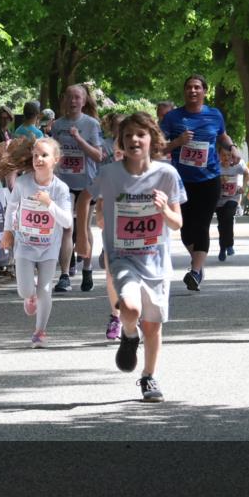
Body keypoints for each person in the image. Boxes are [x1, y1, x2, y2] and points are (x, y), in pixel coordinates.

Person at [76, 112, 184, 402]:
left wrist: (164, 210)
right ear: (120, 142)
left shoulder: (167, 175)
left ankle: (149, 376)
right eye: (128, 135)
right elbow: (84, 198)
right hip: (122, 256)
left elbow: (177, 223)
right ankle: (128, 332)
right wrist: (81, 236)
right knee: (132, 309)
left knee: (153, 324)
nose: (134, 139)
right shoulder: (110, 174)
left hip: (155, 261)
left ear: (153, 139)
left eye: (141, 134)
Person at [161, 74, 241, 291]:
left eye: (197, 87)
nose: (193, 91)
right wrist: (177, 142)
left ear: (205, 91)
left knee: (203, 225)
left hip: (209, 178)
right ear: (184, 91)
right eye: (189, 87)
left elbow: (222, 136)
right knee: (186, 228)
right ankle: (198, 262)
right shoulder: (172, 118)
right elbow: (158, 148)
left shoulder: (214, 115)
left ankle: (195, 271)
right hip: (181, 180)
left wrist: (231, 147)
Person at [0, 137, 73, 347]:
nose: (38, 159)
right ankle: (29, 297)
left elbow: (66, 221)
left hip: (49, 247)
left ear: (55, 159)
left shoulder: (61, 189)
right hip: (25, 244)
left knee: (45, 290)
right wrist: (7, 232)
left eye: (44, 155)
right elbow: (12, 208)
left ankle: (40, 332)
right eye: (35, 155)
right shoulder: (23, 183)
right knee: (25, 290)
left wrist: (49, 204)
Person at [52, 84, 104, 292]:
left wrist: (78, 139)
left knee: (82, 228)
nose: (73, 101)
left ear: (84, 101)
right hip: (64, 183)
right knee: (66, 227)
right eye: (69, 97)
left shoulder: (91, 124)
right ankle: (64, 275)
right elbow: (53, 152)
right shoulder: (57, 125)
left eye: (77, 98)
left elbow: (98, 156)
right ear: (64, 100)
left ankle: (87, 268)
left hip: (85, 184)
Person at [215, 145, 249, 261]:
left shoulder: (237, 165)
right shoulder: (215, 167)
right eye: (223, 155)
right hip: (219, 199)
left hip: (233, 197)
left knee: (228, 218)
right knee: (222, 224)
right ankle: (222, 248)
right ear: (219, 155)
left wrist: (243, 187)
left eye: (229, 155)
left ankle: (229, 244)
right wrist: (217, 181)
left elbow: (247, 173)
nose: (226, 158)